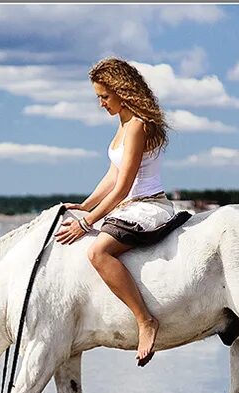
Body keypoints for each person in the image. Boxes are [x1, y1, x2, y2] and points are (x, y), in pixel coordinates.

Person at [54, 57, 191, 366]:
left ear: (121, 91)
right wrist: (85, 204)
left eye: (104, 96)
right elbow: (112, 175)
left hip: (147, 206)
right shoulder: (124, 122)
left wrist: (86, 223)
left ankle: (145, 320)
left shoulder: (139, 125)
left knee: (98, 252)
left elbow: (123, 186)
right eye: (98, 97)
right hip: (129, 205)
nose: (101, 103)